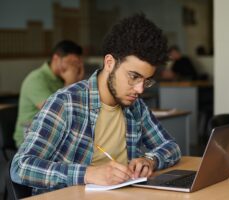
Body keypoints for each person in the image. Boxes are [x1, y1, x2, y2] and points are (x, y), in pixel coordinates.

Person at [11, 14, 181, 195]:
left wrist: (150, 160)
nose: (139, 89)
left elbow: (171, 147)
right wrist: (88, 174)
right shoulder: (66, 103)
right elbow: (20, 166)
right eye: (134, 76)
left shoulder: (134, 106)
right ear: (109, 63)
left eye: (146, 81)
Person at [13, 40, 84, 147]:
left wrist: (78, 83)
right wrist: (70, 83)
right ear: (56, 58)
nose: (73, 68)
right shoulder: (36, 79)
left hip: (55, 133)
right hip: (30, 135)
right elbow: (55, 111)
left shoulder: (62, 78)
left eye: (76, 64)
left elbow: (78, 109)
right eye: (70, 63)